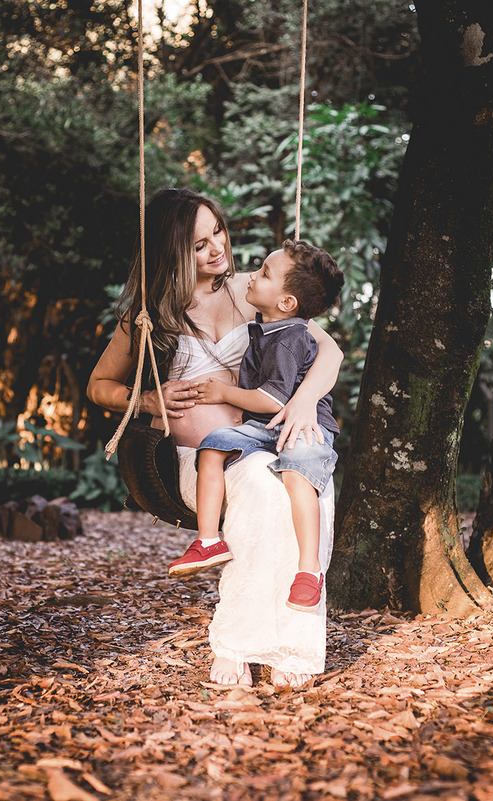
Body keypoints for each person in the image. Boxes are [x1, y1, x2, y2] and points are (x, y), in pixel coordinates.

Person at [88, 189, 343, 688]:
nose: (217, 249)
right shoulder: (149, 315)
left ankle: (290, 646)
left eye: (218, 232)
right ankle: (239, 645)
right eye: (199, 244)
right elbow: (99, 387)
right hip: (201, 461)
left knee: (305, 491)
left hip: (263, 439)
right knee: (262, 488)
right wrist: (146, 400)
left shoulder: (254, 289)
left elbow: (327, 351)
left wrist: (306, 400)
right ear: (170, 253)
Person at [172, 240, 343, 617]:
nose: (253, 275)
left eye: (264, 273)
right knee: (213, 446)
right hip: (267, 429)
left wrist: (223, 392)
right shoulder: (265, 329)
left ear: (287, 303)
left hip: (303, 429)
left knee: (299, 476)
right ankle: (209, 540)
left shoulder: (291, 338)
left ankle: (308, 570)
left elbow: (272, 399)